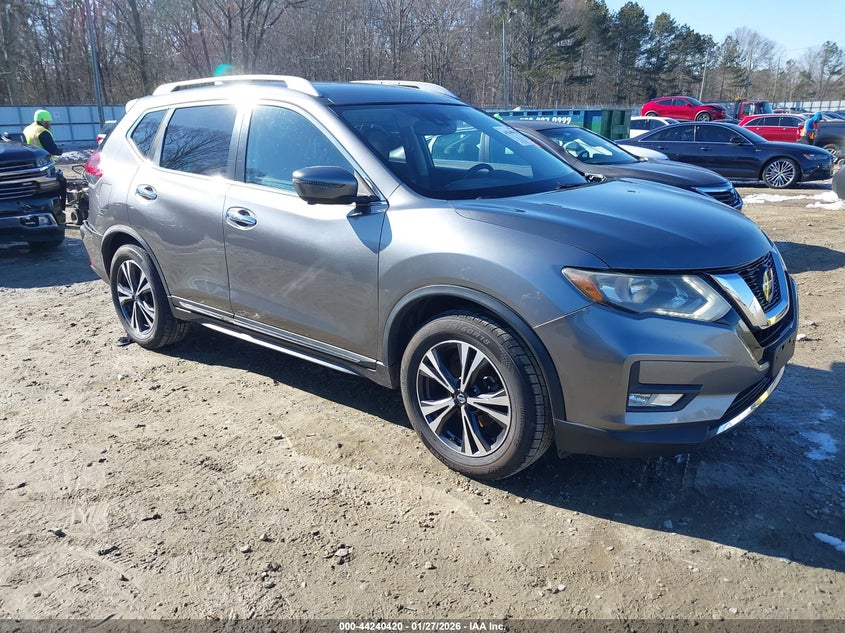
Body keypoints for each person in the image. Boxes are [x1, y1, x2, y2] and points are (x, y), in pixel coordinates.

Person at [23, 109, 68, 218]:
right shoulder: (43, 132)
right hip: (44, 165)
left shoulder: (27, 130)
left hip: (29, 165)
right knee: (58, 185)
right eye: (48, 122)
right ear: (43, 121)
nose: (50, 124)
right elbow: (52, 149)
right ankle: (59, 210)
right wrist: (60, 151)